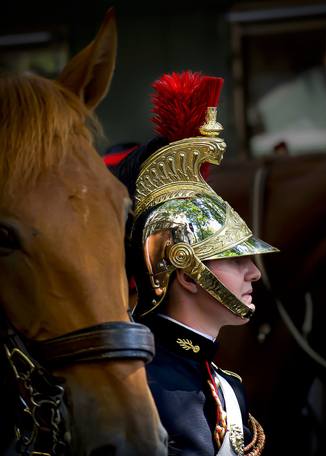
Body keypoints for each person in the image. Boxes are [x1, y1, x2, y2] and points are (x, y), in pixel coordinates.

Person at [105, 71, 278, 456]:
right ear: (186, 272)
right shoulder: (142, 386)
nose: (253, 273)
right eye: (234, 259)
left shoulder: (225, 385)